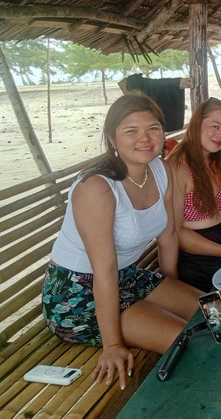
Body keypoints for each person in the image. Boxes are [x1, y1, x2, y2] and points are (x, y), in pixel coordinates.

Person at [42, 94, 200, 391]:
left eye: (153, 128)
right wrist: (112, 345)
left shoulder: (160, 170)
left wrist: (167, 288)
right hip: (77, 295)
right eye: (131, 131)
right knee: (190, 341)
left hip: (127, 277)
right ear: (112, 139)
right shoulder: (97, 188)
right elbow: (104, 268)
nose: (144, 138)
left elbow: (167, 236)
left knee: (217, 315)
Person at [168, 98, 221, 292]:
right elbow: (175, 232)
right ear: (197, 124)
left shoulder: (217, 159)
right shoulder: (178, 167)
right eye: (215, 126)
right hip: (198, 256)